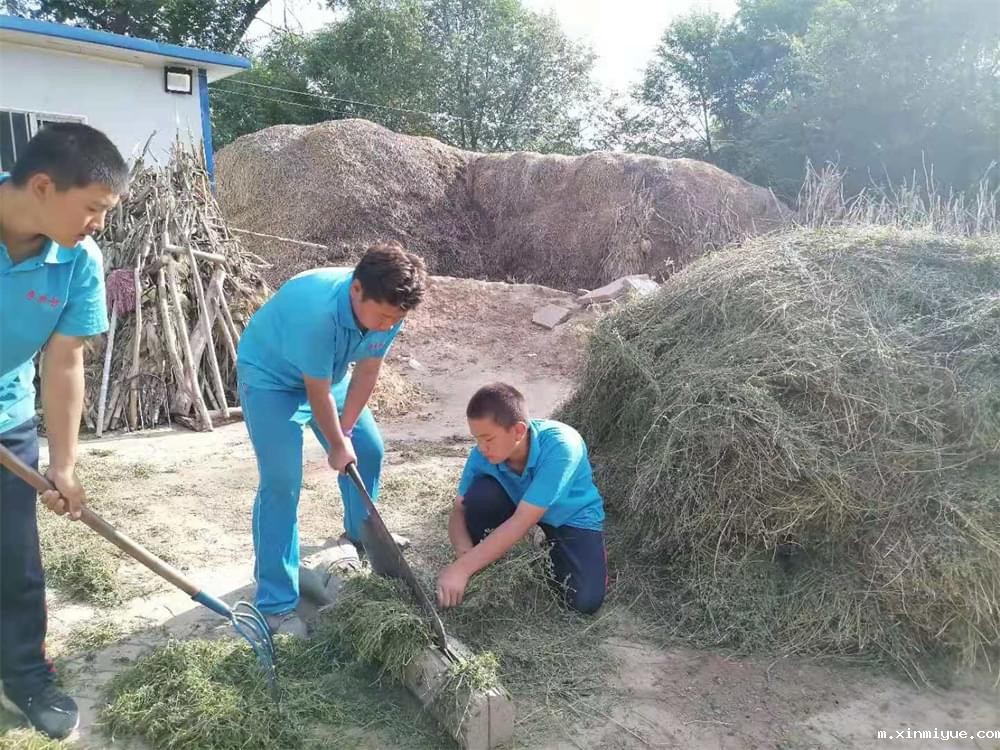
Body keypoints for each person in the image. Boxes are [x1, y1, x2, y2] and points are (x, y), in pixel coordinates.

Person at [0, 123, 127, 739]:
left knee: (15, 564)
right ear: (44, 187)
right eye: (93, 209)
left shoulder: (77, 258)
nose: (97, 223)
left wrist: (65, 464)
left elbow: (64, 359)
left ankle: (24, 676)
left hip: (7, 416)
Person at [237, 242, 428, 637]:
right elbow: (315, 391)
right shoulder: (318, 313)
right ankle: (274, 604)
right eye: (382, 316)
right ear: (356, 290)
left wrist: (349, 430)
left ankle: (358, 536)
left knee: (370, 449)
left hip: (329, 375)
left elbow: (368, 370)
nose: (386, 325)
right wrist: (337, 442)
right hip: (272, 379)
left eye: (394, 319)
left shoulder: (389, 310)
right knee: (281, 481)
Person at [439, 382, 608, 615]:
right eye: (476, 439)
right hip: (520, 509)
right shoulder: (482, 453)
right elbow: (459, 508)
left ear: (518, 431)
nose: (481, 448)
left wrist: (462, 570)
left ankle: (551, 546)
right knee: (478, 498)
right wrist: (463, 553)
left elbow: (521, 521)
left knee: (584, 602)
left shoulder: (562, 447)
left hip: (568, 517)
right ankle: (497, 553)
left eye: (488, 439)